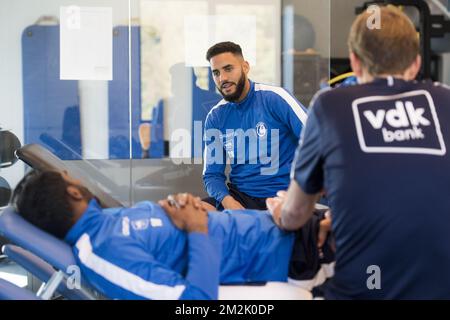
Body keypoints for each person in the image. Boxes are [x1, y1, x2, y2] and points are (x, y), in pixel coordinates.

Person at [269, 6, 450, 299]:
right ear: (416, 64)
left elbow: (295, 215)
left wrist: (281, 212)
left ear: (354, 61)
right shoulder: (445, 100)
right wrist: (344, 218)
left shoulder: (330, 105)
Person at [11, 169, 332, 300]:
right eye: (72, 177)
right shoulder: (100, 252)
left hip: (275, 225)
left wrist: (193, 210)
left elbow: (169, 230)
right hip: (293, 256)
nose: (79, 179)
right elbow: (192, 303)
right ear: (73, 192)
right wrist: (197, 229)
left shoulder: (105, 220)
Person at [203, 41, 308, 210]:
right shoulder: (215, 116)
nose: (222, 78)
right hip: (240, 197)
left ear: (245, 67)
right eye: (216, 73)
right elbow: (212, 175)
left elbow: (316, 140)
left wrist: (302, 190)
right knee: (190, 213)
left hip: (282, 196)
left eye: (228, 69)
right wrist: (231, 204)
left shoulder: (274, 98)